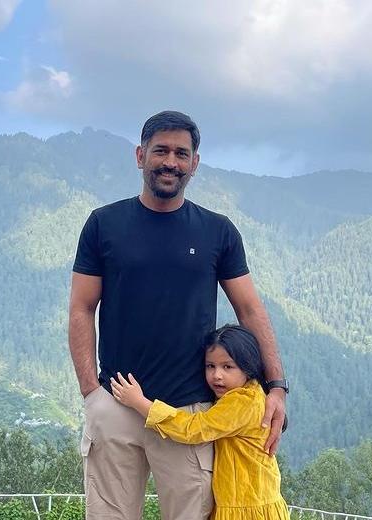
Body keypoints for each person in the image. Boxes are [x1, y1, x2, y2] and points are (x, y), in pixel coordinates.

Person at [69, 110, 287, 519]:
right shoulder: (104, 224)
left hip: (190, 412)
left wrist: (276, 386)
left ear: (194, 163)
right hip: (116, 403)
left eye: (181, 153)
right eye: (161, 151)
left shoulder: (217, 231)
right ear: (140, 156)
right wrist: (91, 392)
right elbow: (82, 307)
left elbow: (249, 309)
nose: (170, 161)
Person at [111, 324, 290, 520]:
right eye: (210, 366)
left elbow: (193, 429)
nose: (217, 375)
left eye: (227, 367)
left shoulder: (242, 403)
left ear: (248, 367)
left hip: (246, 509)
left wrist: (140, 403)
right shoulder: (251, 393)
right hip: (248, 502)